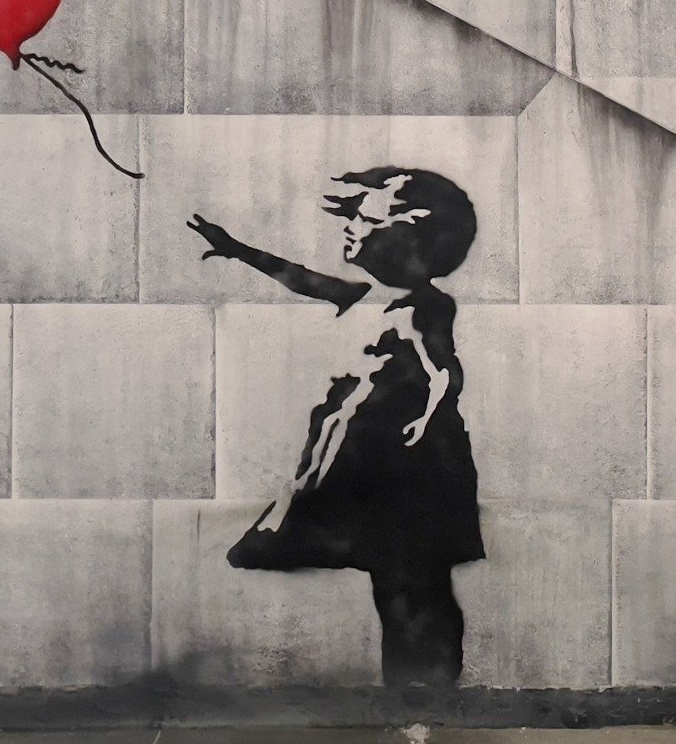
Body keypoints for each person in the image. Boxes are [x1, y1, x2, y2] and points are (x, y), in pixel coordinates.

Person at [187, 167, 483, 689]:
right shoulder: (366, 295)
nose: (350, 227)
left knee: (414, 582)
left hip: (410, 462)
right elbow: (303, 278)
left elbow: (445, 372)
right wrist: (237, 249)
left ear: (406, 232)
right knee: (395, 581)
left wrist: (427, 417)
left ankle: (426, 690)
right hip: (370, 455)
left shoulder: (424, 305)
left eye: (365, 218)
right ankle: (413, 690)